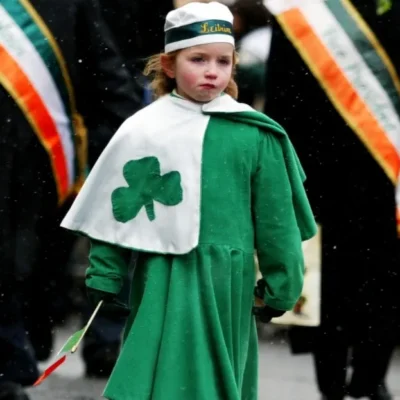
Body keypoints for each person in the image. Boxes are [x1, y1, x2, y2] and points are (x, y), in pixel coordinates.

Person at [61, 2, 317, 399]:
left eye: (223, 60)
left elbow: (276, 220)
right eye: (198, 59)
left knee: (211, 381)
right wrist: (105, 271)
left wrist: (283, 283)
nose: (212, 71)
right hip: (163, 276)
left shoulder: (255, 134)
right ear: (168, 64)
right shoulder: (143, 129)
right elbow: (114, 210)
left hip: (226, 283)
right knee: (157, 374)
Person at [0, 0, 141, 398]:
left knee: (27, 261)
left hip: (41, 158)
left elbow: (102, 68)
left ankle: (22, 348)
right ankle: (10, 363)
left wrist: (136, 133)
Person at [264, 0, 400, 399]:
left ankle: (371, 372)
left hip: (388, 167)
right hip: (319, 165)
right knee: (327, 278)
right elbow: (281, 94)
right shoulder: (303, 9)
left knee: (387, 275)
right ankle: (331, 380)